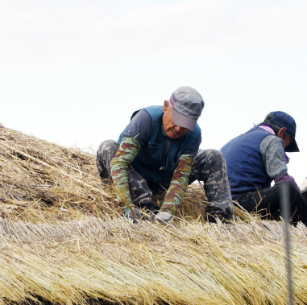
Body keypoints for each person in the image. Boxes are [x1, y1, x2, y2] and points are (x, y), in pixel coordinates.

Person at [96, 87, 232, 222]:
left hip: (165, 178)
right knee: (107, 146)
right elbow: (120, 163)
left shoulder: (194, 134)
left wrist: (167, 210)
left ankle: (220, 217)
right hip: (136, 179)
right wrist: (127, 207)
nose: (178, 129)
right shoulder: (145, 119)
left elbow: (181, 176)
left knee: (214, 156)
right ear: (166, 106)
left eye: (185, 124)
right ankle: (143, 203)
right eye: (176, 120)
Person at [221, 111, 307, 231]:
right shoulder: (272, 140)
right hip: (240, 203)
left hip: (222, 201)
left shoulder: (239, 139)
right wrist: (301, 203)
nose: (284, 149)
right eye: (287, 144)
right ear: (282, 132)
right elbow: (282, 178)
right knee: (287, 189)